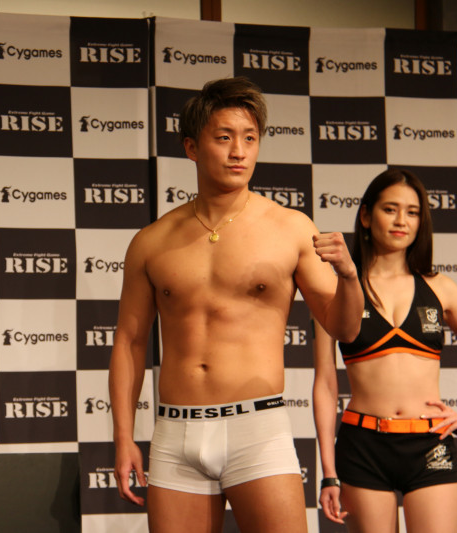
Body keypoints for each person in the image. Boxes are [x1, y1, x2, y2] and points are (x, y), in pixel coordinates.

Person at [108, 76, 364, 533]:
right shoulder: (151, 241)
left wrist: (349, 277)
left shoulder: (290, 228)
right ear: (191, 147)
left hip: (257, 429)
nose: (239, 152)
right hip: (176, 434)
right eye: (224, 138)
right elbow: (129, 342)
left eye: (249, 138)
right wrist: (124, 436)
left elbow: (345, 328)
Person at [313, 169, 457, 533]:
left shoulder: (441, 287)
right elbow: (325, 384)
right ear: (365, 215)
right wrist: (328, 473)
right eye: (390, 209)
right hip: (363, 446)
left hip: (431, 444)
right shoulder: (335, 289)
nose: (401, 221)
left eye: (412, 212)